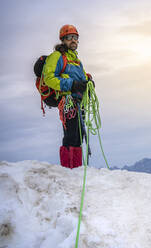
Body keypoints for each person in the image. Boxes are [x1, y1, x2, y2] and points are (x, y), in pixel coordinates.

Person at [43, 24, 91, 169]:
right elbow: (49, 78)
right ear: (63, 39)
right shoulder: (57, 56)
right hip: (67, 102)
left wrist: (88, 82)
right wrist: (71, 85)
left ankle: (75, 170)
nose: (73, 40)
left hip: (78, 102)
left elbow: (81, 79)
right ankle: (68, 170)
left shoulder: (76, 60)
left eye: (75, 38)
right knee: (71, 135)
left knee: (78, 136)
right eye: (70, 37)